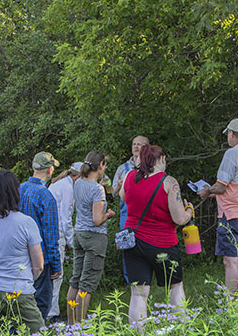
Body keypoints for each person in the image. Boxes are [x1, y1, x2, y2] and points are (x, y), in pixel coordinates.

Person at [120, 144, 194, 324]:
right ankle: (182, 331)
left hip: (133, 242)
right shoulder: (169, 182)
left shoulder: (129, 176)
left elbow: (123, 197)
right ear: (162, 159)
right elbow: (179, 218)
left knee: (138, 295)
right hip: (163, 243)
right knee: (175, 288)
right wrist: (189, 210)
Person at [198, 118, 238, 296]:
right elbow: (237, 186)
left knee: (230, 261)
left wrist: (206, 191)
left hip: (231, 214)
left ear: (232, 134)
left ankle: (232, 302)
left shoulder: (232, 154)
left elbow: (222, 186)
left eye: (228, 134)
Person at [0, 170, 46, 333]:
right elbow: (39, 266)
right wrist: (26, 281)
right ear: (15, 191)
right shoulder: (26, 223)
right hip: (18, 290)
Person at [67, 151, 114, 323]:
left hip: (78, 234)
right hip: (94, 238)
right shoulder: (98, 190)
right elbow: (97, 220)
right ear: (101, 165)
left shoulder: (78, 182)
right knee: (86, 285)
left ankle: (70, 325)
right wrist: (108, 214)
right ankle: (80, 327)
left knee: (75, 281)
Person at [19, 152, 62, 322]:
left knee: (22, 302)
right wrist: (56, 264)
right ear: (50, 169)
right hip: (41, 258)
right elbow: (51, 234)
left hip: (20, 255)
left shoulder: (18, 189)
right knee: (41, 303)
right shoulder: (46, 195)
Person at [46, 161, 83, 320]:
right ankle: (51, 314)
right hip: (57, 233)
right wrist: (72, 242)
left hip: (49, 232)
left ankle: (46, 310)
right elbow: (66, 218)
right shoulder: (68, 188)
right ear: (79, 176)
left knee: (48, 274)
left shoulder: (60, 183)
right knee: (56, 274)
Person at [112, 135, 149, 281]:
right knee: (127, 247)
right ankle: (130, 280)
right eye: (134, 144)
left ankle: (146, 278)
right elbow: (114, 194)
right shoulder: (122, 168)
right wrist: (118, 188)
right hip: (126, 216)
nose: (136, 147)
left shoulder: (152, 167)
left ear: (146, 147)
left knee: (146, 245)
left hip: (146, 215)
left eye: (139, 144)